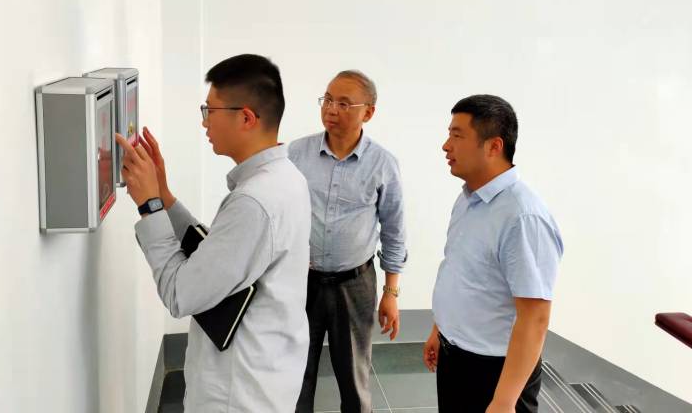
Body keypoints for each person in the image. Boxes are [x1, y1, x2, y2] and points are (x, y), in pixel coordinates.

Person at [116, 54, 311, 412]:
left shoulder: (255, 202)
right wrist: (165, 197)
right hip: (268, 375)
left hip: (238, 395)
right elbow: (221, 255)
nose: (204, 122)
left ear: (246, 118)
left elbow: (181, 294)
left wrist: (150, 207)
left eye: (210, 110)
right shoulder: (285, 178)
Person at [424, 95, 564, 413]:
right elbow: (460, 271)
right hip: (456, 358)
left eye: (457, 135)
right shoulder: (468, 199)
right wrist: (440, 329)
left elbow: (535, 317)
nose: (446, 146)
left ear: (493, 146)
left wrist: (503, 401)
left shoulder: (523, 216)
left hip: (495, 372)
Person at [289, 70, 407, 413]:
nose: (331, 109)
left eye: (343, 103)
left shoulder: (383, 164)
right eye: (327, 99)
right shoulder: (296, 154)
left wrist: (391, 293)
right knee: (294, 374)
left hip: (355, 284)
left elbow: (394, 231)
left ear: (368, 112)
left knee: (354, 377)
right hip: (301, 281)